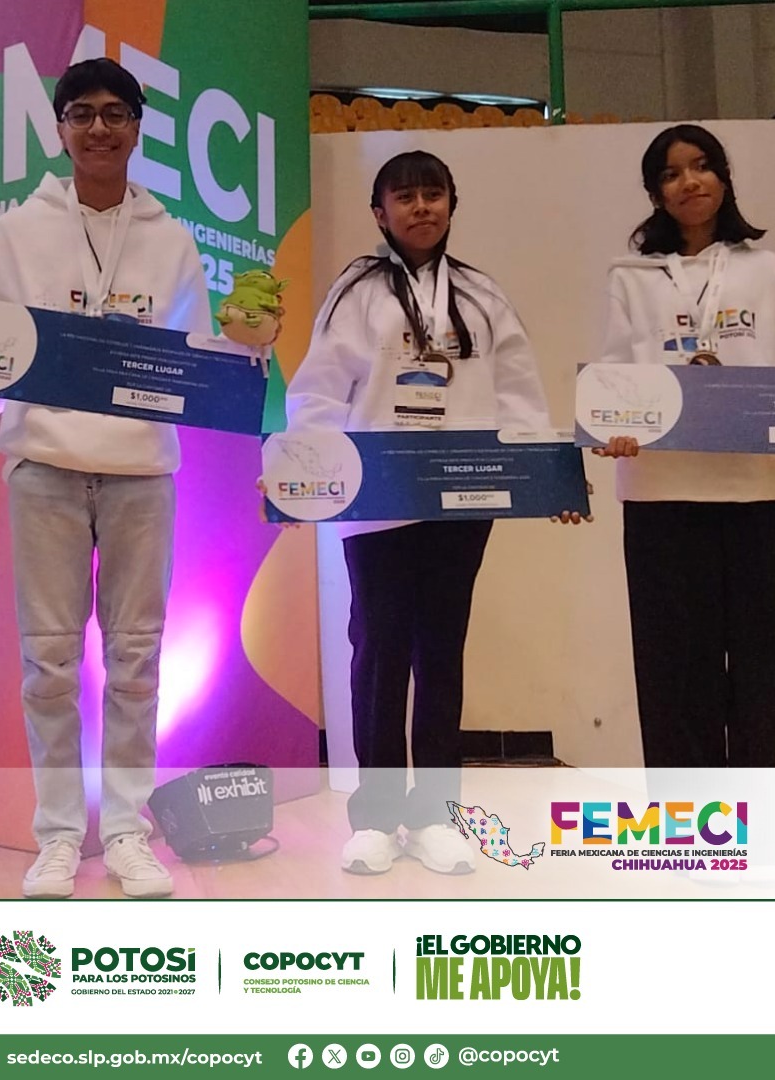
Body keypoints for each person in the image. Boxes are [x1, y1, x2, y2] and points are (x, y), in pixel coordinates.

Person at [284, 150, 573, 876]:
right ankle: (377, 818)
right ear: (379, 212)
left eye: (433, 194)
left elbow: (518, 393)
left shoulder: (481, 295)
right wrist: (304, 477)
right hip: (377, 498)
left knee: (442, 649)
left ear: (451, 204)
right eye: (405, 196)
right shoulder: (355, 293)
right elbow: (319, 391)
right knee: (379, 649)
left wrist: (547, 480)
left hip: (463, 499)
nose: (421, 208)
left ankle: (439, 814)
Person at [0, 58, 212, 899]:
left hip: (141, 469)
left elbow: (194, 360)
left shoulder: (172, 237)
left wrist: (244, 355)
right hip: (43, 465)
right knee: (48, 661)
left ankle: (128, 831)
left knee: (137, 659)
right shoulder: (17, 230)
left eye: (115, 113)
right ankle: (59, 836)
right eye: (82, 114)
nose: (99, 128)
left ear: (138, 127)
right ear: (61, 128)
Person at [594, 123, 775, 768]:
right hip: (660, 493)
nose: (689, 182)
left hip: (755, 492)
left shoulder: (766, 269)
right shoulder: (631, 276)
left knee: (757, 666)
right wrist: (613, 426)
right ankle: (686, 822)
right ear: (655, 193)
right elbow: (615, 370)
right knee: (672, 671)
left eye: (701, 167)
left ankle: (756, 820)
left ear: (723, 178)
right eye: (671, 174)